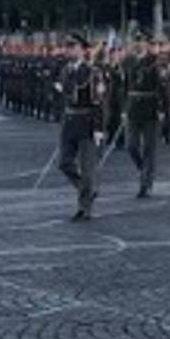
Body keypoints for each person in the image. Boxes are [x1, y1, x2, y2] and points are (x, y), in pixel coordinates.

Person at [54, 34, 105, 222]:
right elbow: (64, 94)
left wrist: (99, 128)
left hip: (86, 122)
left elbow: (99, 102)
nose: (69, 50)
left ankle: (85, 208)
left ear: (83, 50)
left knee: (87, 168)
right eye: (67, 47)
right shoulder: (65, 70)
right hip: (69, 122)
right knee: (64, 163)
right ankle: (87, 190)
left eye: (73, 46)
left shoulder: (93, 72)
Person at [124, 34, 168, 198]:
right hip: (133, 108)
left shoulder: (156, 62)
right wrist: (124, 108)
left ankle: (146, 183)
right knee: (131, 146)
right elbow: (124, 86)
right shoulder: (129, 61)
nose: (139, 45)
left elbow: (163, 87)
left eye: (142, 42)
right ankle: (144, 169)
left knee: (149, 148)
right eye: (137, 41)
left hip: (150, 108)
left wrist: (163, 109)